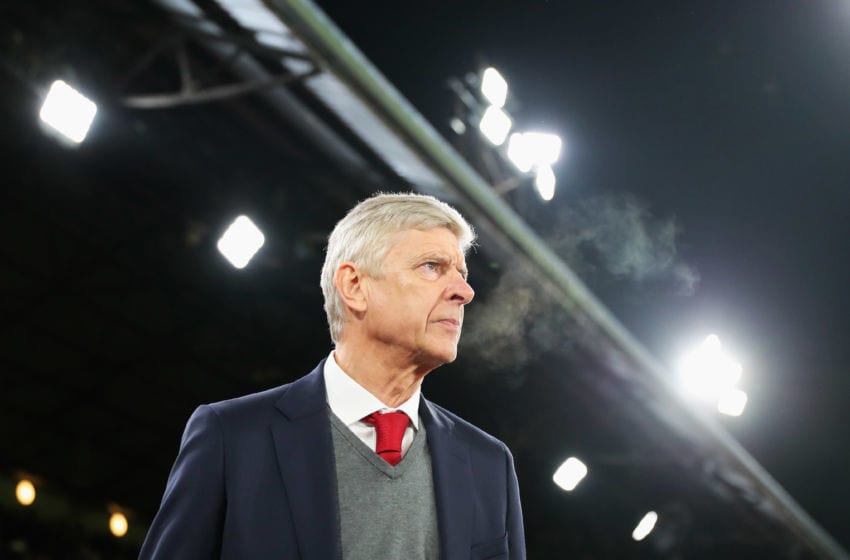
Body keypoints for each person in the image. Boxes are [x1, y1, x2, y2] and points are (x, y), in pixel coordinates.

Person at [139, 192, 525, 560]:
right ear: (354, 286)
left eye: (461, 272)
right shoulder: (232, 435)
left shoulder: (488, 464)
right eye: (432, 267)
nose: (464, 291)